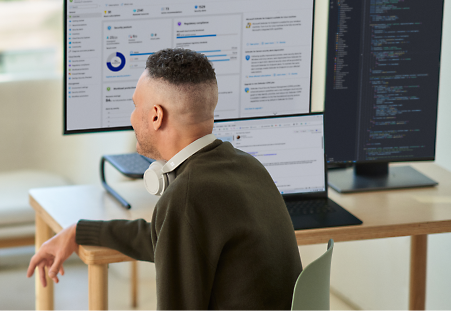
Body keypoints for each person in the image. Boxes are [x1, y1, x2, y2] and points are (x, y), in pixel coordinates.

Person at [27, 48, 302, 310]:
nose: (132, 118)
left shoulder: (187, 195)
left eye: (136, 106)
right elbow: (167, 241)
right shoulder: (247, 166)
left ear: (156, 116)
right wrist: (78, 231)